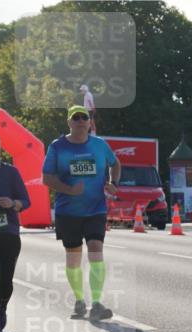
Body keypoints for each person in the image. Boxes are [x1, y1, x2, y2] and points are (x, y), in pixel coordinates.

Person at [42, 105, 119, 320]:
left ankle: (96, 303)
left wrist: (114, 182)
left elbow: (115, 164)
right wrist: (69, 190)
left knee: (96, 253)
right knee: (73, 259)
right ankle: (79, 301)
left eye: (83, 117)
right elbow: (46, 178)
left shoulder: (100, 145)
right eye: (75, 118)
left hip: (96, 210)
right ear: (69, 122)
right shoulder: (58, 146)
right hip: (68, 212)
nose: (80, 121)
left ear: (89, 121)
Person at [0, 128, 30, 332]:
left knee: (5, 281)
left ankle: (0, 307)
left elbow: (25, 200)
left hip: (8, 232)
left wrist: (12, 203)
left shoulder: (10, 172)